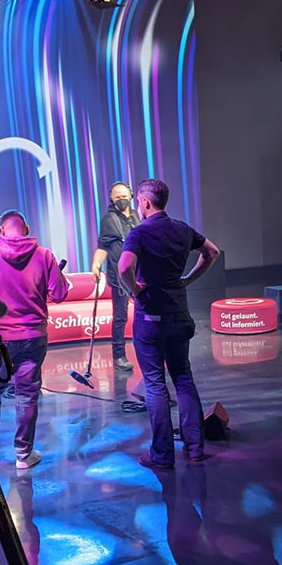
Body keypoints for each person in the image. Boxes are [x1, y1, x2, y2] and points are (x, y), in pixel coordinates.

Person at [118, 179, 220, 469]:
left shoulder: (139, 233)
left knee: (154, 384)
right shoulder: (182, 229)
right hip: (179, 314)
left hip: (150, 318)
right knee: (183, 377)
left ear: (145, 202)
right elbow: (212, 252)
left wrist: (135, 291)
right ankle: (195, 449)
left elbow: (124, 267)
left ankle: (162, 455)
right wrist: (188, 279)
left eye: (138, 202)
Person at [0, 209, 69, 470]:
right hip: (31, 336)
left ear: (2, 230)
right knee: (26, 395)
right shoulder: (44, 255)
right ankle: (23, 454)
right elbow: (59, 294)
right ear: (26, 229)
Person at [91, 182, 142, 372]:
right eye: (117, 197)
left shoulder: (137, 216)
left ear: (131, 195)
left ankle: (146, 349)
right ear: (112, 199)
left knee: (144, 314)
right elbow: (102, 246)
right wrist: (96, 264)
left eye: (124, 196)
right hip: (119, 275)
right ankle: (119, 355)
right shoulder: (108, 220)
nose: (122, 200)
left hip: (139, 273)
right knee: (120, 317)